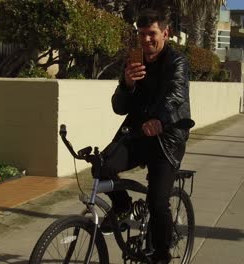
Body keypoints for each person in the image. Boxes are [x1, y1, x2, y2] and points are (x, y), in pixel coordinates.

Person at [100, 9, 190, 264]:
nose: (146, 40)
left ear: (165, 33)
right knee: (102, 166)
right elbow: (119, 107)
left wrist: (159, 120)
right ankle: (122, 206)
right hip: (137, 134)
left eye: (152, 34)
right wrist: (126, 84)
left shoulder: (177, 62)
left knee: (158, 202)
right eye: (141, 34)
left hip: (166, 138)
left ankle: (162, 256)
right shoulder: (133, 62)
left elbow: (175, 95)